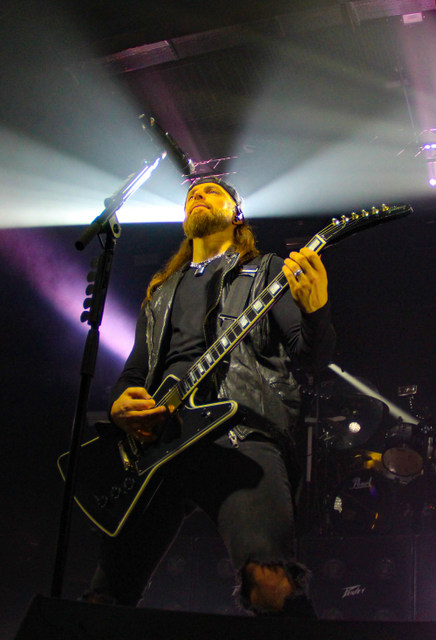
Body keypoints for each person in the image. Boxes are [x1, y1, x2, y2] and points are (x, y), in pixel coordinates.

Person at [85, 176, 335, 615]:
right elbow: (135, 372)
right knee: (102, 600)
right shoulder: (161, 291)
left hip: (239, 433)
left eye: (212, 191)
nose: (198, 194)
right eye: (191, 194)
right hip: (158, 448)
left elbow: (310, 357)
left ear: (237, 213)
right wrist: (120, 404)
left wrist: (317, 312)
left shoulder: (268, 270)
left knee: (270, 581)